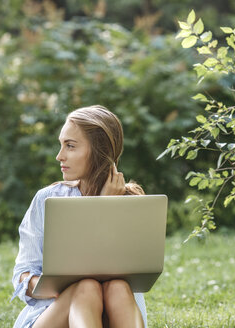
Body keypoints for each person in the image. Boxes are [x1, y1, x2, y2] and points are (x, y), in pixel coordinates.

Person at [11, 105, 147, 328]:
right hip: (52, 317)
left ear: (98, 151)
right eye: (61, 145)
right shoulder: (47, 199)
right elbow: (23, 275)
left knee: (118, 287)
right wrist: (60, 285)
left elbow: (140, 273)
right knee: (86, 287)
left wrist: (108, 208)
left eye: (70, 146)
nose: (59, 156)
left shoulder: (131, 202)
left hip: (113, 315)